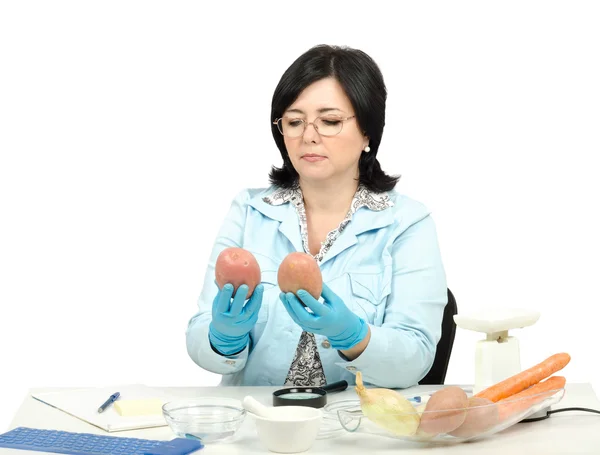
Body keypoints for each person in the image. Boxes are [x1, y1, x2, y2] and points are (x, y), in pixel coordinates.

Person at [186, 44, 448, 389]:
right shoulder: (249, 211)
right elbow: (198, 336)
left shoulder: (407, 222)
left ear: (368, 131)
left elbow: (416, 357)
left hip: (359, 429)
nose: (308, 136)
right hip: (259, 425)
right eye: (295, 121)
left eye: (330, 121)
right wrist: (222, 338)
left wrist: (353, 336)